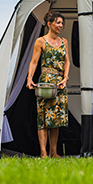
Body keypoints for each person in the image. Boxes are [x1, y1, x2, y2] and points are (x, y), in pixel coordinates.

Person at [26, 11, 70, 158]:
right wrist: (29, 77)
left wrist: (65, 78)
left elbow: (67, 62)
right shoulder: (41, 41)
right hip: (45, 81)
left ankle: (53, 152)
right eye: (58, 22)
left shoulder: (64, 42)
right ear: (49, 24)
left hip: (60, 83)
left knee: (56, 119)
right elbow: (34, 62)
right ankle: (43, 152)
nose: (61, 26)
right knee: (44, 118)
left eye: (62, 23)